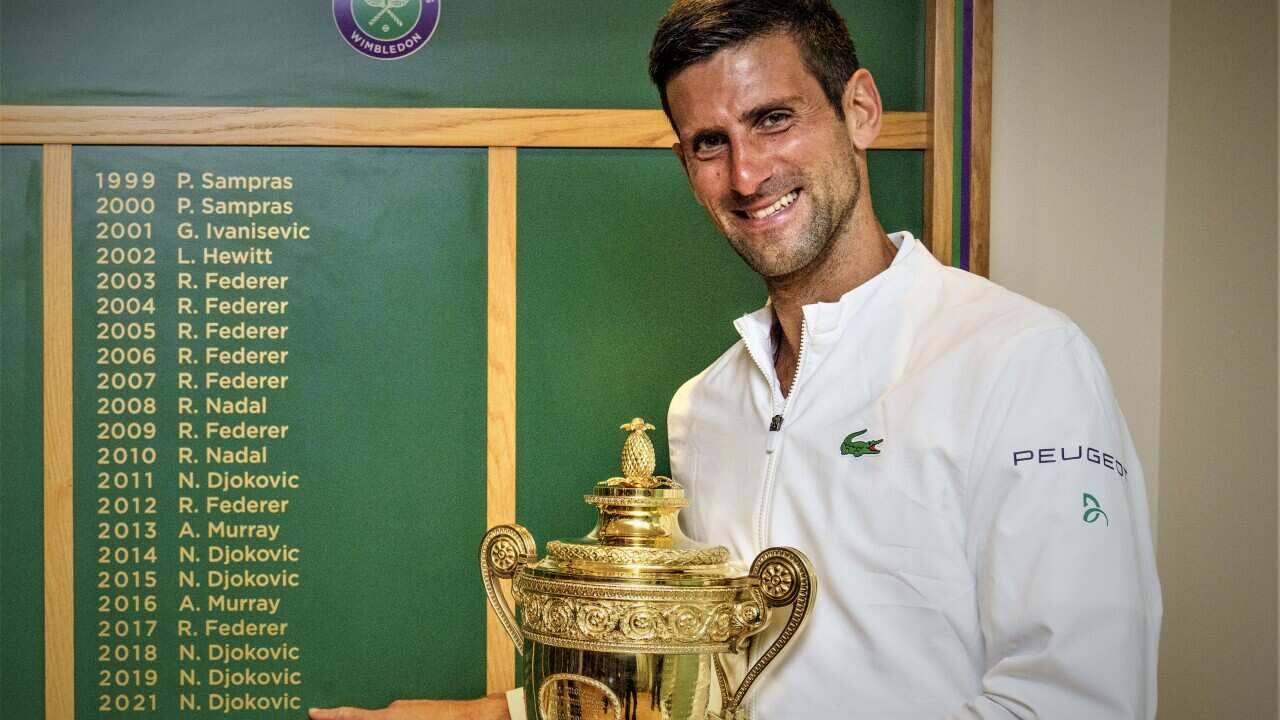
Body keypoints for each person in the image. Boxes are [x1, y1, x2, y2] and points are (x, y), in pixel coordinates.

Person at [312, 1, 1161, 718]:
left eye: (773, 118)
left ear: (860, 110)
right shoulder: (703, 406)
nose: (747, 173)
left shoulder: (1023, 362)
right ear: (685, 163)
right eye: (709, 142)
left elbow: (1073, 699)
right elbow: (703, 677)